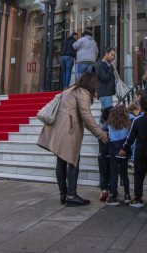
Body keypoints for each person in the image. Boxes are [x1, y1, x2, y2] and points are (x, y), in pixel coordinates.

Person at [37, 71, 109, 206]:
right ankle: (71, 195)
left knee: (61, 160)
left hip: (59, 128)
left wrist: (96, 131)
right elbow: (86, 116)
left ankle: (63, 194)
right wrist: (100, 134)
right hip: (68, 129)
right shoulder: (83, 92)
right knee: (73, 159)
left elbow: (84, 118)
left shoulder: (70, 90)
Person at [121, 95, 147, 208]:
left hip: (140, 151)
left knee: (139, 174)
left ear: (141, 106)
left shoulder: (137, 120)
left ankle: (138, 198)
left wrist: (124, 148)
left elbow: (131, 137)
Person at [105, 105, 132, 205]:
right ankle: (127, 195)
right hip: (123, 151)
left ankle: (114, 195)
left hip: (113, 151)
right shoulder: (127, 125)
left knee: (114, 175)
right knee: (124, 174)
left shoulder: (110, 126)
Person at [96, 47, 117, 114]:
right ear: (106, 53)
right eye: (111, 55)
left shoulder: (107, 64)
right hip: (104, 92)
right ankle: (102, 123)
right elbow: (105, 78)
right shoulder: (100, 65)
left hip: (107, 92)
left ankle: (101, 123)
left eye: (113, 55)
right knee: (107, 113)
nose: (112, 57)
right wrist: (111, 67)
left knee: (106, 113)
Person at [98, 106, 112, 202]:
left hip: (101, 154)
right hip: (111, 154)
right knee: (111, 174)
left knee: (103, 174)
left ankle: (104, 190)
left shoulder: (101, 127)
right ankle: (111, 191)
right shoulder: (113, 128)